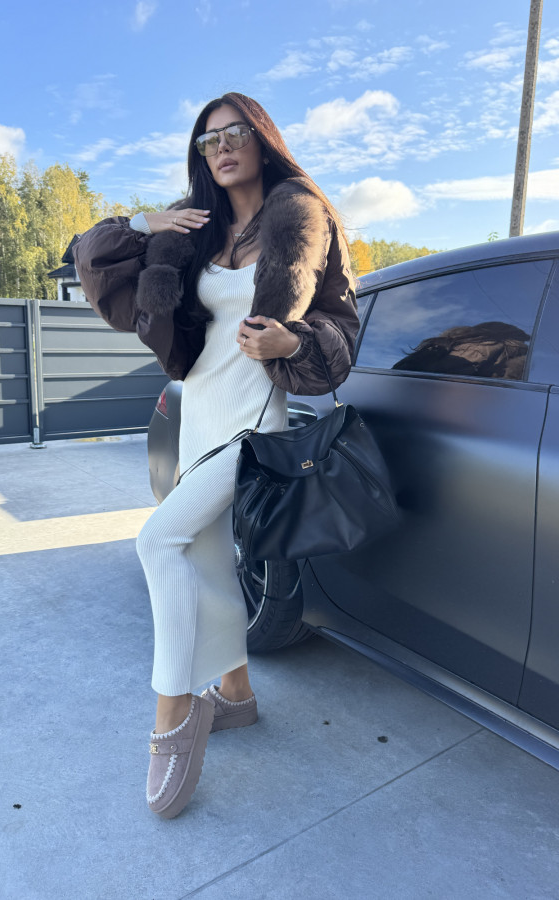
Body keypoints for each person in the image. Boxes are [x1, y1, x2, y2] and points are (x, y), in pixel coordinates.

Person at [73, 92, 359, 819]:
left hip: (252, 418)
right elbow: (95, 261)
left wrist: (293, 341)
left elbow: (341, 327)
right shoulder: (193, 227)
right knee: (203, 558)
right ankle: (237, 695)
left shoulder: (303, 217)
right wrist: (144, 224)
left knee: (157, 539)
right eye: (209, 140)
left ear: (262, 140)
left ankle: (175, 714)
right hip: (197, 406)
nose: (223, 148)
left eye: (235, 134)